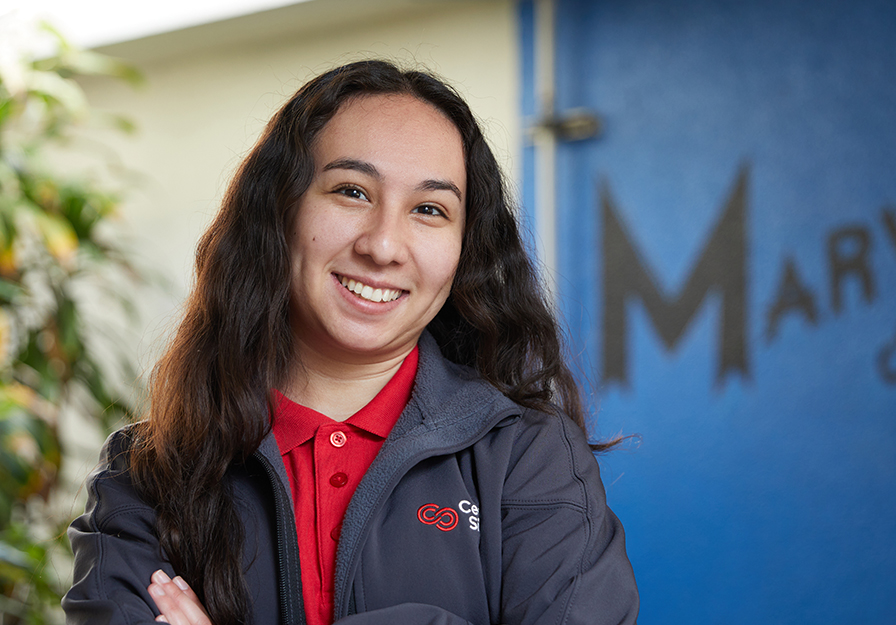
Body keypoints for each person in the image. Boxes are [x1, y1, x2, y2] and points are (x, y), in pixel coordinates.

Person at [62, 59, 639, 625]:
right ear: (279, 211)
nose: (384, 246)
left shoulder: (529, 458)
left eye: (430, 209)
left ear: (466, 250)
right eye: (352, 192)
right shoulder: (145, 475)